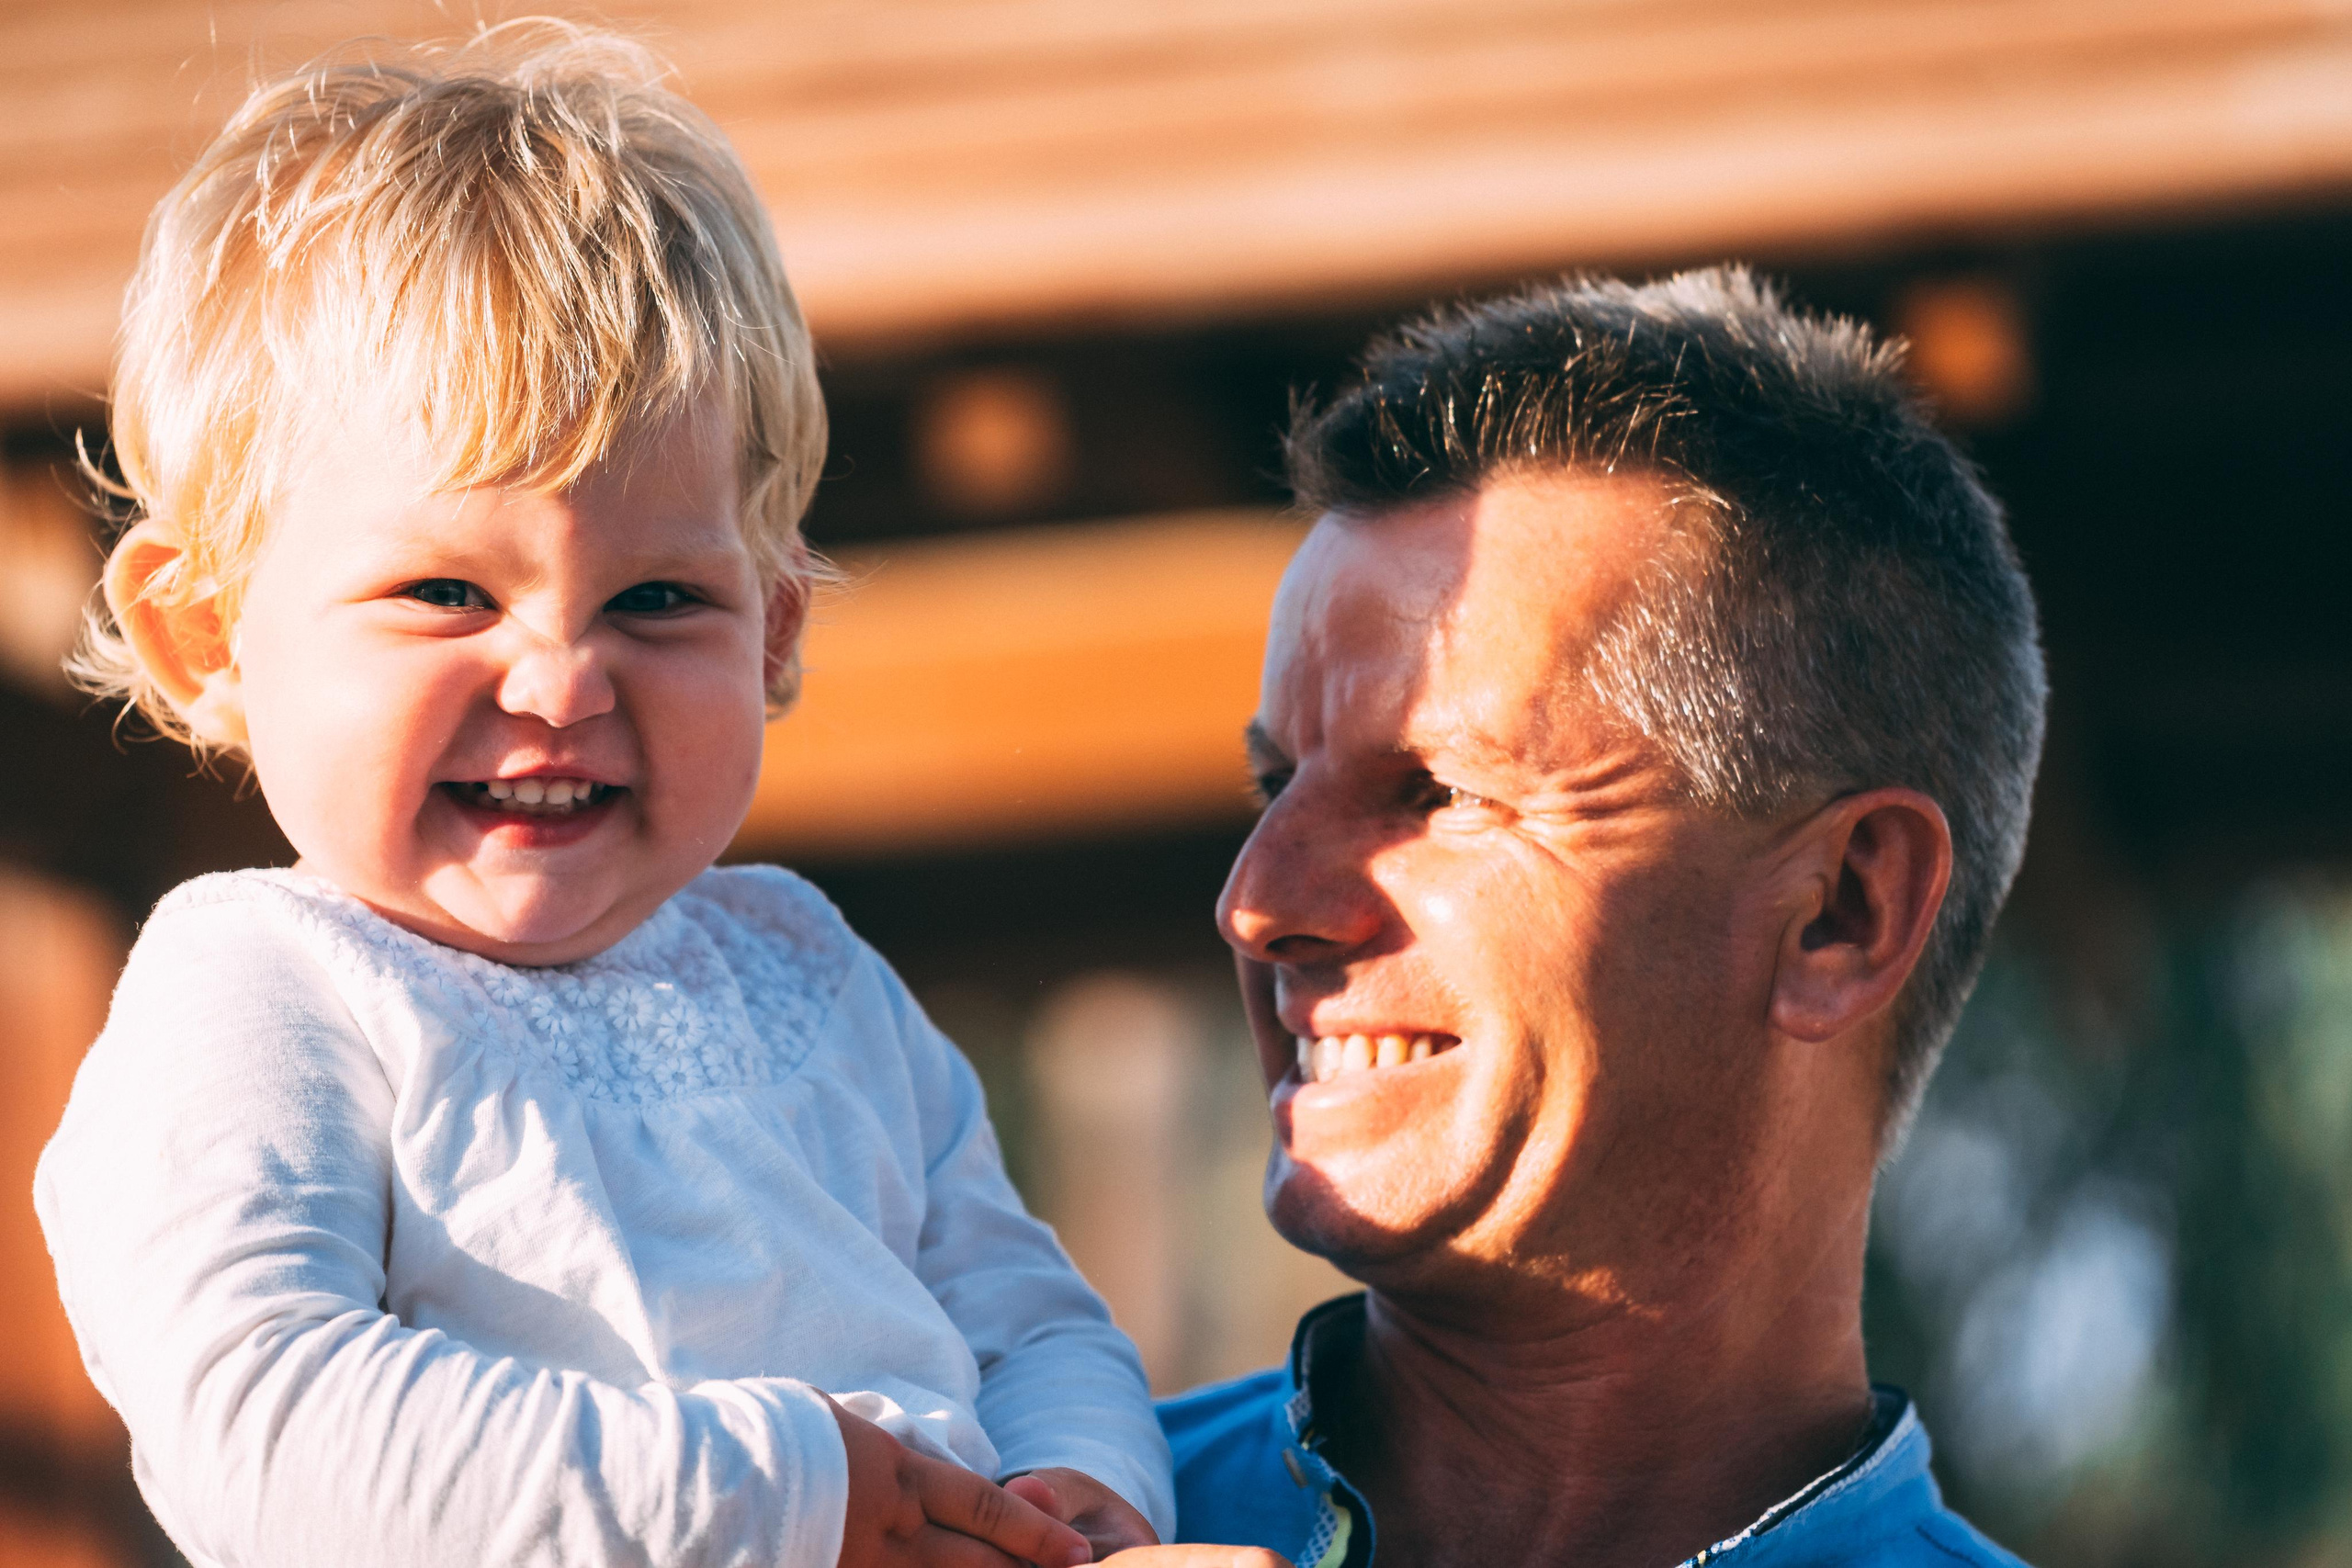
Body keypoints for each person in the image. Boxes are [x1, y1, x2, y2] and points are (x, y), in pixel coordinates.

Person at [34, 24, 1171, 1568]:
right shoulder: (266, 990)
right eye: (445, 592)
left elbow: (1030, 1323)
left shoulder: (809, 974)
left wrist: (1082, 1487)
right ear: (208, 636)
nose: (563, 681)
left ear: (774, 630)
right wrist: (788, 1493)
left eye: (656, 600)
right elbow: (264, 1424)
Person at [1156, 269, 2048, 1568]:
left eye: (1437, 792)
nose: (1258, 904)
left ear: (1843, 913)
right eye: (1275, 784)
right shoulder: (996, 1526)